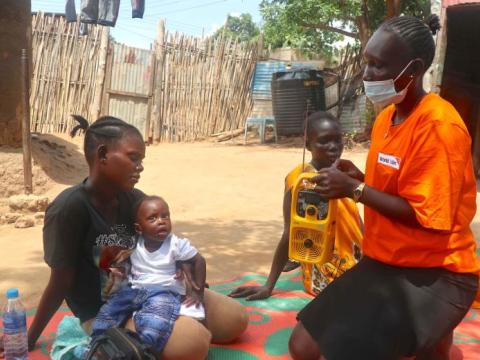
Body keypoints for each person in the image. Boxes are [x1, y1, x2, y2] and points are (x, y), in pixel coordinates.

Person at [289, 16, 480, 360]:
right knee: (302, 345)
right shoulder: (386, 119)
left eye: (378, 65)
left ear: (414, 69)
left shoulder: (439, 126)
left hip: (437, 272)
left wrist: (355, 190)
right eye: (367, 62)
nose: (367, 74)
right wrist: (360, 179)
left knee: (352, 350)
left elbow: (428, 216)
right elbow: (398, 188)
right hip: (385, 261)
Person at [26, 115, 248, 360]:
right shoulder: (69, 208)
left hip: (155, 288)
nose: (140, 166)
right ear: (102, 155)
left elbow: (162, 244)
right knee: (195, 344)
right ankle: (161, 329)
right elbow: (60, 281)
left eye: (141, 160)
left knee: (235, 319)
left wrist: (185, 276)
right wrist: (30, 337)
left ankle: (173, 321)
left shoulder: (133, 199)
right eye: (133, 158)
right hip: (108, 310)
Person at [229, 111, 363, 300]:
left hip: (358, 262)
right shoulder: (302, 181)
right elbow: (290, 231)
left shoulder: (346, 172)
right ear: (307, 144)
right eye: (324, 141)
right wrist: (269, 286)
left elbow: (356, 222)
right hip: (329, 275)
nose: (333, 147)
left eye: (337, 140)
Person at [91, 195, 206, 354]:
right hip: (134, 290)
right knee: (108, 311)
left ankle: (144, 351)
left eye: (165, 216)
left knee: (156, 321)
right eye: (153, 218)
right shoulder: (134, 244)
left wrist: (198, 292)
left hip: (164, 292)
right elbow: (116, 261)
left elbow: (199, 261)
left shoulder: (176, 244)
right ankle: (97, 345)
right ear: (139, 228)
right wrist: (117, 269)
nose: (161, 221)